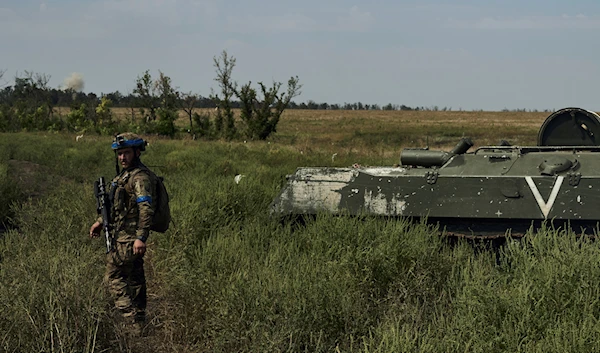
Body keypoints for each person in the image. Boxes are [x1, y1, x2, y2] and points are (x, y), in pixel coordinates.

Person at [89, 133, 157, 335]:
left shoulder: (139, 177)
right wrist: (101, 222)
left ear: (137, 152)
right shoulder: (124, 176)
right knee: (135, 277)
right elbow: (117, 208)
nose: (122, 157)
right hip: (123, 234)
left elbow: (146, 209)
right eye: (119, 154)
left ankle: (131, 322)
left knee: (114, 277)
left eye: (126, 152)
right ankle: (140, 321)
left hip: (129, 238)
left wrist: (140, 238)